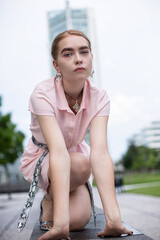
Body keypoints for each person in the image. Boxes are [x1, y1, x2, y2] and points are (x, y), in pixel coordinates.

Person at [19, 30, 133, 240]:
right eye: (68, 54)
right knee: (81, 165)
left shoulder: (100, 97)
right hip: (45, 157)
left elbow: (100, 153)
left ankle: (54, 203)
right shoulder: (42, 94)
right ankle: (52, 198)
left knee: (79, 221)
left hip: (75, 159)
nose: (78, 58)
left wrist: (114, 219)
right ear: (56, 65)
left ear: (91, 57)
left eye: (84, 51)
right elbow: (58, 151)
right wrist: (60, 224)